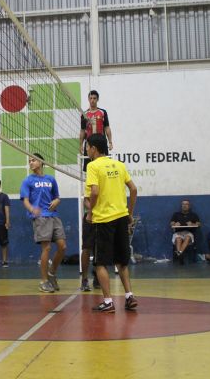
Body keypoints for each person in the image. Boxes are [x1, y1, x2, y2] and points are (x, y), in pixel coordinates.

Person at [85, 133, 138, 313]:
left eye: (87, 147)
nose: (86, 150)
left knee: (100, 263)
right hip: (121, 217)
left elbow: (94, 192)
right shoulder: (119, 164)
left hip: (104, 220)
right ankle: (129, 296)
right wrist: (129, 213)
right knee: (121, 261)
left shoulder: (92, 166)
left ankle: (108, 302)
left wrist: (90, 212)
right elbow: (133, 189)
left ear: (93, 148)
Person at [20, 154, 66, 292]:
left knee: (62, 247)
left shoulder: (51, 179)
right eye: (29, 161)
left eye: (33, 160)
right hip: (41, 217)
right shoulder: (27, 181)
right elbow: (25, 200)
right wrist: (32, 209)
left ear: (41, 162)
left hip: (54, 215)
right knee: (46, 248)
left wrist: (57, 201)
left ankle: (52, 273)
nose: (31, 163)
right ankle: (44, 281)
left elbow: (57, 197)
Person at [79, 90, 113, 171]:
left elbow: (107, 127)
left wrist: (110, 142)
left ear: (97, 99)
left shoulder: (102, 112)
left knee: (104, 167)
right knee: (89, 168)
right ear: (88, 99)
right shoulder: (84, 114)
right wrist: (80, 145)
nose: (92, 100)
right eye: (90, 98)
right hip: (89, 144)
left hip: (101, 143)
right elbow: (82, 130)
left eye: (94, 98)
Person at [170, 199, 201, 264]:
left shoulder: (193, 215)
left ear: (189, 206)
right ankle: (180, 254)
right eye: (183, 204)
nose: (184, 206)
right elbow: (171, 223)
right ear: (181, 206)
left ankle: (179, 254)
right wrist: (174, 224)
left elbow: (199, 224)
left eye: (186, 204)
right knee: (178, 239)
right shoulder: (176, 214)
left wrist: (192, 224)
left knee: (187, 237)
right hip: (178, 233)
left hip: (188, 233)